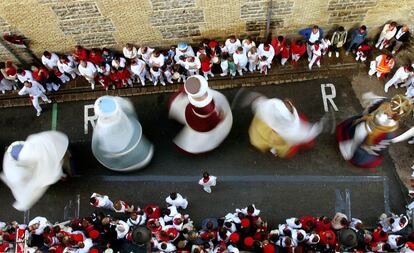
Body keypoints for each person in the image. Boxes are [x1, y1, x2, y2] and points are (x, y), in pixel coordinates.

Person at [336, 93, 412, 168]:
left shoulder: (389, 131)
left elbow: (378, 146)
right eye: (391, 105)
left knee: (359, 136)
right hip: (364, 122)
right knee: (354, 129)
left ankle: (352, 148)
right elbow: (375, 104)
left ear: (396, 115)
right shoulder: (385, 103)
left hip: (369, 136)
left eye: (392, 109)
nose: (388, 108)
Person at [1, 131, 69, 210]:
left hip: (26, 160)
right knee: (42, 176)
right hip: (24, 169)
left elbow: (42, 157)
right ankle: (59, 169)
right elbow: (34, 182)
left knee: (45, 169)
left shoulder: (27, 151)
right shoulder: (16, 176)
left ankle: (59, 168)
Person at [168, 75, 233, 154]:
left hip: (190, 112)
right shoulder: (208, 107)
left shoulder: (194, 97)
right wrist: (219, 118)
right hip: (200, 120)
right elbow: (210, 123)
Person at [248, 96, 323, 158]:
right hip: (282, 142)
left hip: (264, 134)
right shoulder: (291, 130)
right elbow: (307, 134)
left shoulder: (267, 108)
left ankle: (273, 149)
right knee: (295, 147)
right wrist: (319, 127)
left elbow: (257, 102)